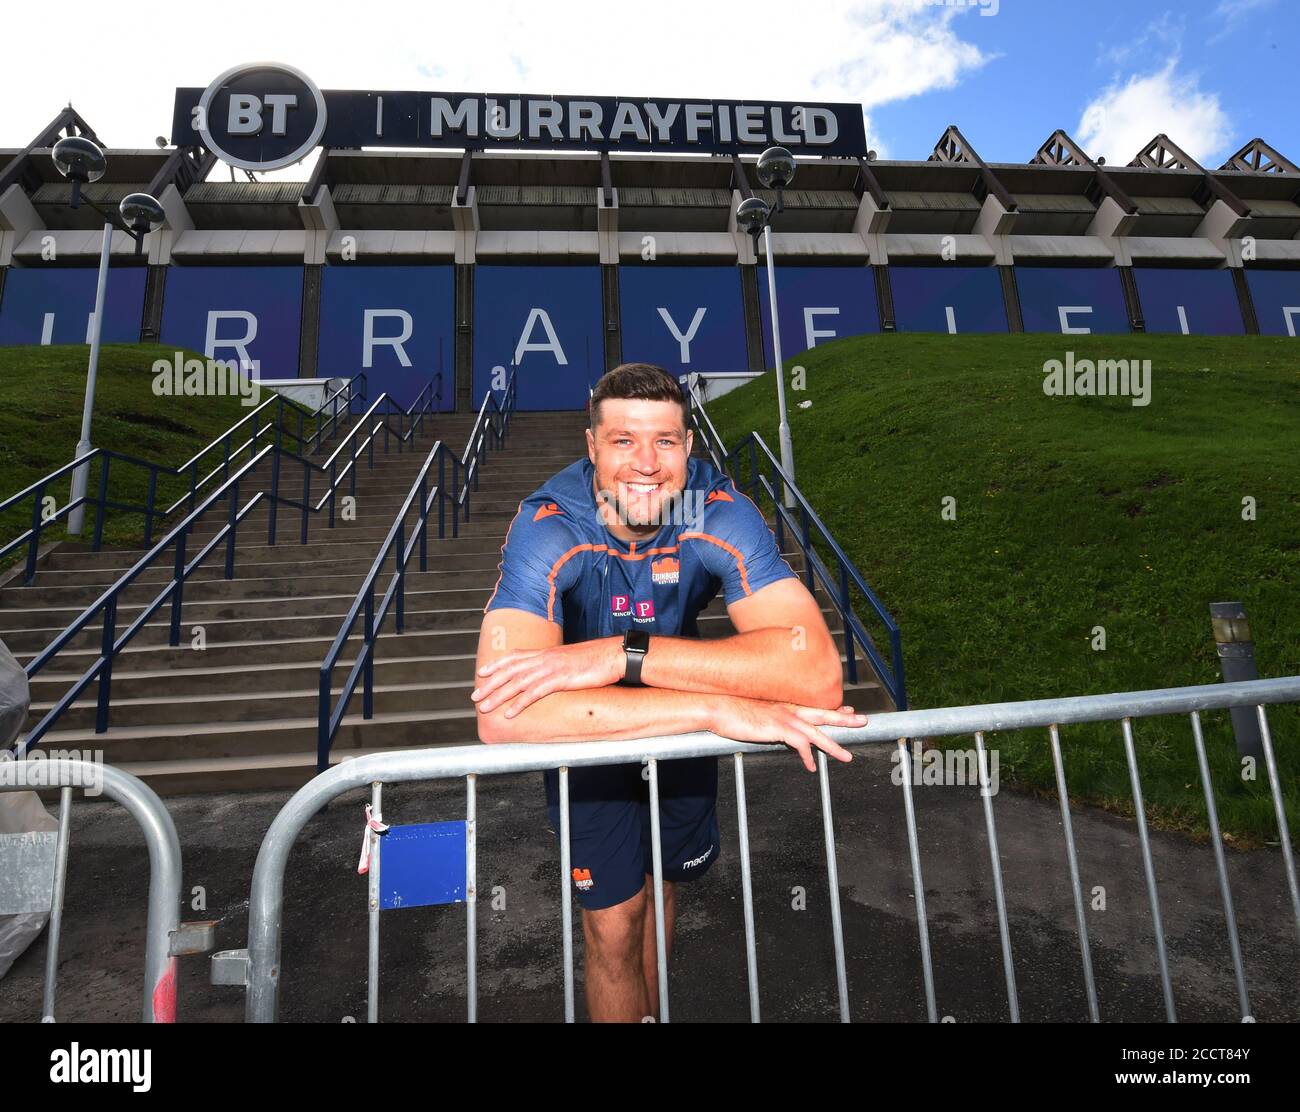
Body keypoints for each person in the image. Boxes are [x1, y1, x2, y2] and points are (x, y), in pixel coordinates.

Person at [472, 362, 866, 1022]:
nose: (646, 464)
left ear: (689, 446)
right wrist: (714, 708)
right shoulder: (549, 524)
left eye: (666, 441)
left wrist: (621, 655)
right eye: (624, 440)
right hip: (599, 735)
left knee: (660, 892)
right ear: (592, 446)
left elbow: (816, 674)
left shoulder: (717, 509)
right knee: (615, 924)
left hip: (669, 725)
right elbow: (503, 716)